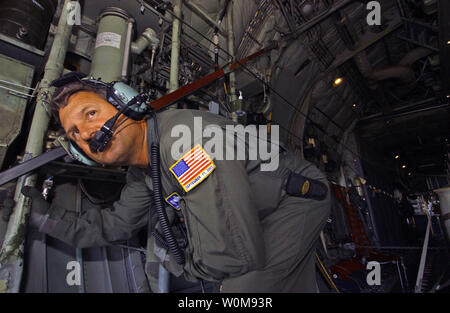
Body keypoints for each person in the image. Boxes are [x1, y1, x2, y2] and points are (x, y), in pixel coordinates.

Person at [22, 75, 331, 292]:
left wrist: (177, 264)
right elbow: (115, 224)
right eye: (75, 134)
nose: (87, 134)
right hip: (260, 212)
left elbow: (231, 254)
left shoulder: (185, 141)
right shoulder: (142, 171)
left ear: (127, 104)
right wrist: (46, 219)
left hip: (295, 199)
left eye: (90, 114)